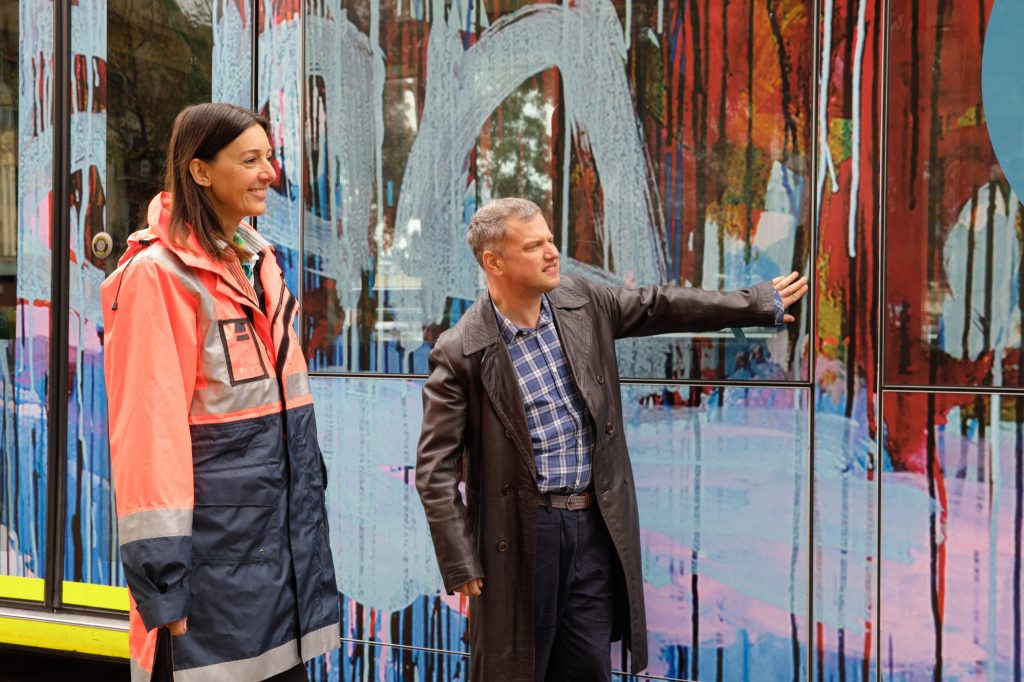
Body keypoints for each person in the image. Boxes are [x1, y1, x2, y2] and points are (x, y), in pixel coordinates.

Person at [415, 197, 808, 681]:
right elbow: (434, 472)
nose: (552, 252)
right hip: (519, 537)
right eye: (534, 245)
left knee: (586, 669)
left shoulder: (581, 302)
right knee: (515, 672)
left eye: (550, 240)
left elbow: (660, 305)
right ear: (493, 262)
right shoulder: (460, 351)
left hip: (593, 527)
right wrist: (460, 560)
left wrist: (754, 303)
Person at [101, 103, 340, 682]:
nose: (269, 174)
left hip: (280, 580)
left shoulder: (260, 266)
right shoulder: (159, 276)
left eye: (270, 158)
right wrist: (163, 586)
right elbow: (149, 441)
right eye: (250, 159)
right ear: (200, 170)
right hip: (209, 590)